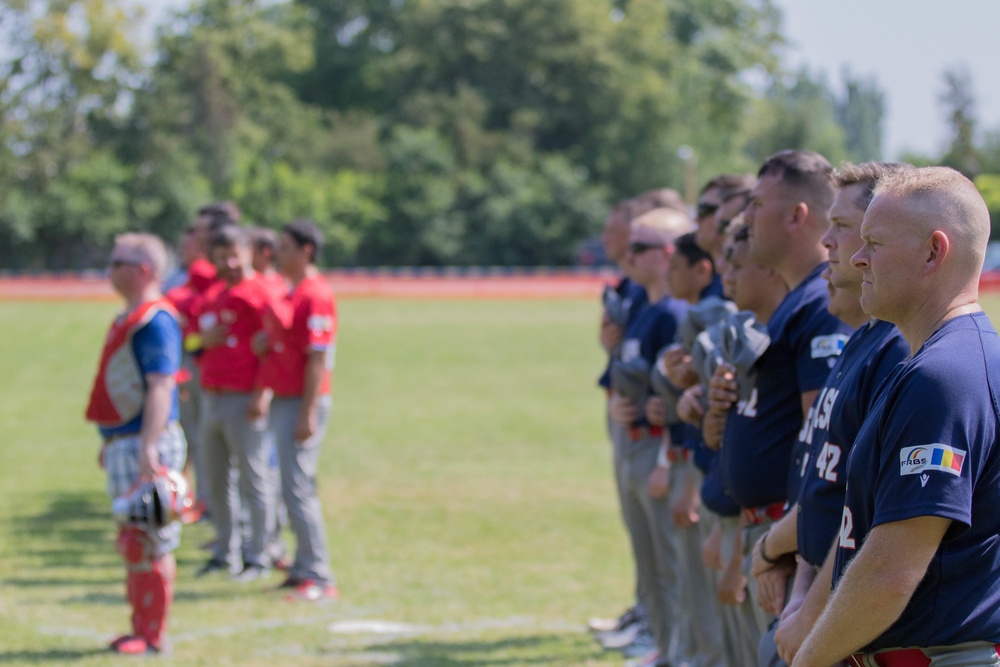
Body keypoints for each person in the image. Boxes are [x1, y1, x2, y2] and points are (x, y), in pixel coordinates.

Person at [794, 167, 1000, 667]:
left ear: (934, 251)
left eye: (874, 242)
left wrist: (805, 660)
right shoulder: (946, 360)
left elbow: (890, 573)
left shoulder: (943, 375)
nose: (856, 257)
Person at [742, 163, 911, 666]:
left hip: (842, 616)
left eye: (841, 227)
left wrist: (809, 609)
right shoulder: (862, 339)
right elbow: (822, 483)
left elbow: (865, 513)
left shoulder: (898, 348)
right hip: (810, 589)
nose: (828, 243)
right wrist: (799, 585)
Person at [707, 150, 853, 660]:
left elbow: (821, 441)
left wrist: (791, 548)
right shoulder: (797, 301)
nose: (747, 218)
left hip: (789, 541)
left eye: (759, 204)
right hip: (773, 532)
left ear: (797, 216)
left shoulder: (820, 304)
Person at [85, 233, 187, 655]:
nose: (110, 270)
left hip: (149, 441)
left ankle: (152, 633)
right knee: (133, 537)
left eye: (118, 262)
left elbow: (161, 385)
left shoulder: (155, 320)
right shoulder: (130, 317)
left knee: (147, 538)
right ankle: (140, 627)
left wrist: (147, 446)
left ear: (143, 270)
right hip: (127, 441)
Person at [608, 207, 691, 667]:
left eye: (638, 247)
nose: (627, 255)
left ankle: (678, 650)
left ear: (666, 254)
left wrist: (664, 458)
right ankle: (664, 646)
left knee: (673, 565)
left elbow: (674, 399)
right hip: (638, 442)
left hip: (660, 453)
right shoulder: (646, 308)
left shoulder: (671, 315)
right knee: (653, 560)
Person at [256, 219, 339, 602]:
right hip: (287, 400)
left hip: (301, 403)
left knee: (298, 488)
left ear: (306, 250)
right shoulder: (296, 291)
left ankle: (319, 575)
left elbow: (317, 358)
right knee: (291, 488)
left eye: (285, 247)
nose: (278, 255)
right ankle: (304, 566)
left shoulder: (316, 294)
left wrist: (307, 411)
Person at [196, 224, 277, 581]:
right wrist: (200, 340)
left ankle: (260, 555)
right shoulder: (214, 295)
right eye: (220, 258)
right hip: (212, 397)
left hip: (245, 397)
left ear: (248, 252)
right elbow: (193, 343)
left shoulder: (260, 293)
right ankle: (225, 553)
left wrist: (262, 393)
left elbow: (274, 349)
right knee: (217, 483)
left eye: (234, 255)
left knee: (253, 480)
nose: (229, 263)